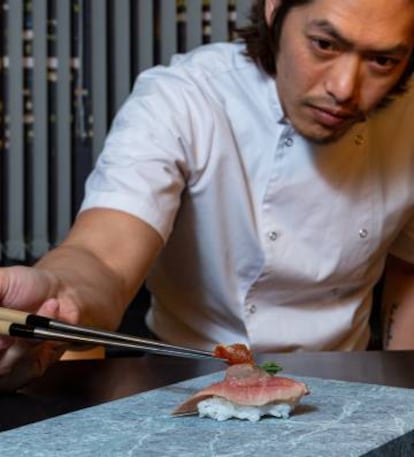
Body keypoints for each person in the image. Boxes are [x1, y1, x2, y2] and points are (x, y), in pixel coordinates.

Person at [1, 0, 414, 391]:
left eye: (382, 60)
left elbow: (407, 271)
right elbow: (103, 256)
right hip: (184, 381)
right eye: (324, 44)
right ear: (275, 8)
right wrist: (59, 296)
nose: (344, 87)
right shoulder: (183, 99)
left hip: (347, 383)